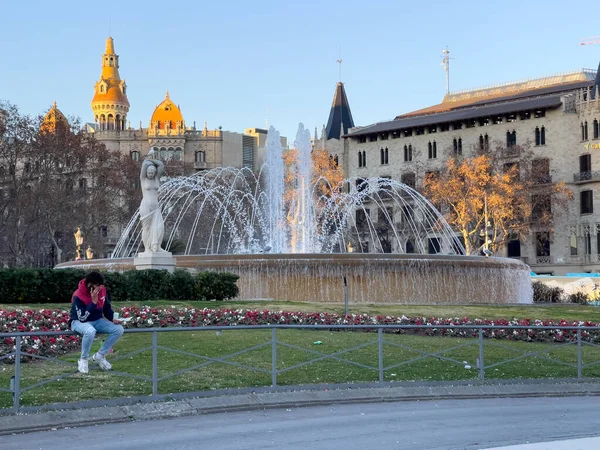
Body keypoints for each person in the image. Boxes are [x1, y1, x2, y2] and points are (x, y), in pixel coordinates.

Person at [70, 271, 124, 374]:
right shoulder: (78, 295)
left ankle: (100, 355)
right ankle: (83, 360)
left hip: (97, 320)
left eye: (101, 285)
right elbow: (82, 318)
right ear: (89, 285)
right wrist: (93, 302)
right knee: (90, 331)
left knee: (118, 329)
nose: (100, 288)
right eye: (97, 285)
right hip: (78, 322)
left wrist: (112, 318)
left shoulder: (102, 290)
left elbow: (106, 307)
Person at [139, 157, 166, 253]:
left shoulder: (156, 179)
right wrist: (149, 158)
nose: (150, 174)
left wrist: (152, 160)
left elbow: (161, 164)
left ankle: (157, 246)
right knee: (146, 228)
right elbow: (144, 163)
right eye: (149, 172)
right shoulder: (143, 179)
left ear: (155, 173)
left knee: (160, 227)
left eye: (152, 173)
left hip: (156, 207)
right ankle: (147, 248)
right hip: (145, 206)